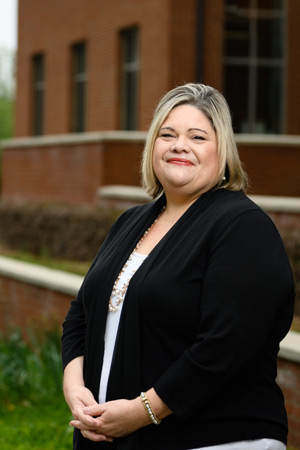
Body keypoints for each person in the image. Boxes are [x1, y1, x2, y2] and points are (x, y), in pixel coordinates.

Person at [61, 83, 295, 450]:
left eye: (197, 136)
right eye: (167, 134)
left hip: (217, 439)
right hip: (114, 438)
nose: (179, 145)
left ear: (223, 152)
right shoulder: (131, 222)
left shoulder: (242, 227)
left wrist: (141, 413)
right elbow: (80, 317)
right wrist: (76, 392)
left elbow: (224, 347)